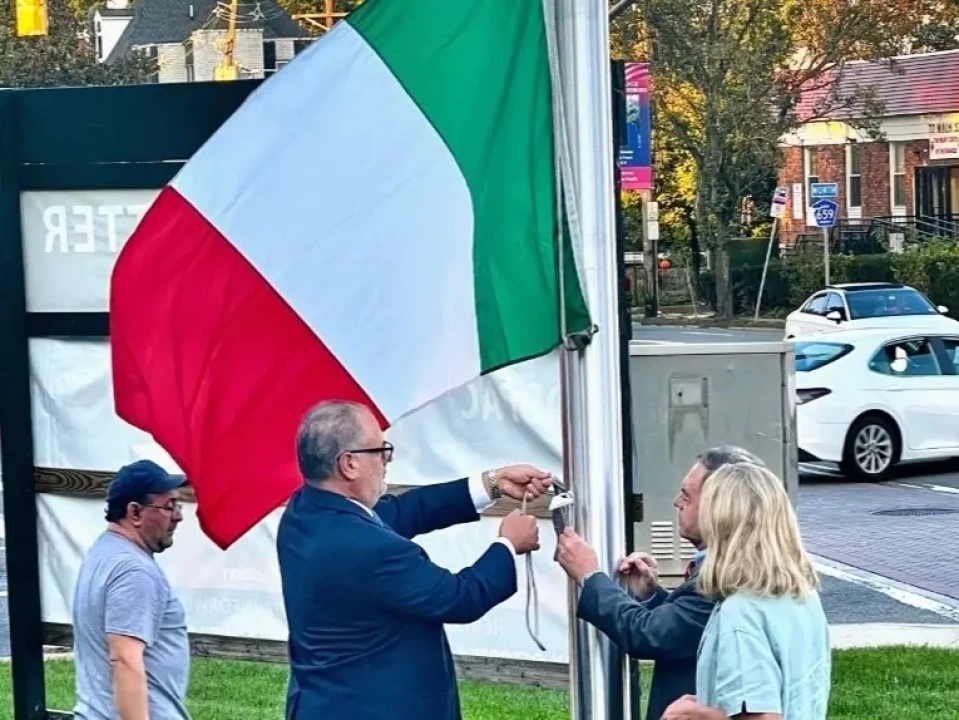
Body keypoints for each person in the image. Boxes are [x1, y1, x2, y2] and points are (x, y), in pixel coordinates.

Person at [276, 399, 550, 720]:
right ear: (349, 463)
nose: (386, 461)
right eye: (380, 451)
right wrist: (508, 544)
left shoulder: (305, 511)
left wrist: (491, 484)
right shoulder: (371, 548)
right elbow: (460, 598)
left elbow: (404, 511)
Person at [555, 445, 764, 720]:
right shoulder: (734, 566)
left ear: (719, 507)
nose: (677, 502)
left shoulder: (727, 576)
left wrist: (590, 575)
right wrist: (652, 595)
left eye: (686, 496)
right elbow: (686, 630)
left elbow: (647, 634)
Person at [662, 462, 831, 719]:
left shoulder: (740, 612)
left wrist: (693, 714)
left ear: (722, 524)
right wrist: (707, 701)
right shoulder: (802, 595)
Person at [72, 460, 191, 720]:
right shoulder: (134, 571)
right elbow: (125, 659)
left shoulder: (103, 551)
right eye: (169, 506)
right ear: (135, 512)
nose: (178, 516)